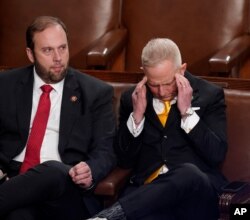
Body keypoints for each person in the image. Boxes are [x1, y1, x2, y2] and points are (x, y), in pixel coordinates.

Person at [88, 38, 228, 220]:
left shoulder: (210, 95)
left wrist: (187, 113)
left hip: (196, 195)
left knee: (188, 173)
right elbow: (124, 160)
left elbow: (217, 154)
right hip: (146, 196)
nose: (161, 92)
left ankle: (108, 217)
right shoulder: (132, 98)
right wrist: (137, 117)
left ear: (182, 70)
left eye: (168, 83)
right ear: (143, 74)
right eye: (154, 85)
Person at [0, 16, 116, 220]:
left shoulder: (96, 93)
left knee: (53, 170)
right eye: (47, 50)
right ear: (30, 54)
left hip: (65, 188)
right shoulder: (6, 84)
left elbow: (106, 150)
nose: (58, 57)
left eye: (62, 48)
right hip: (16, 184)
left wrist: (90, 170)